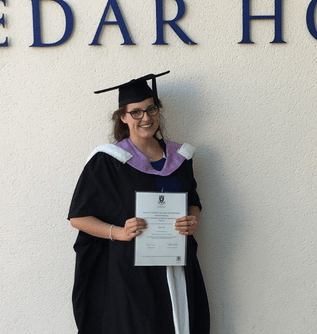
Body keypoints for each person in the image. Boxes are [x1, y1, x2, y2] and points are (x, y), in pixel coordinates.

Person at [67, 71, 210, 334]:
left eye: (151, 109)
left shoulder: (181, 157)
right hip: (131, 270)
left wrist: (193, 220)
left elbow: (194, 201)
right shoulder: (108, 160)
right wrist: (119, 232)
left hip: (175, 262)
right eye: (136, 112)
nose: (146, 118)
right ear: (123, 116)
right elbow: (79, 217)